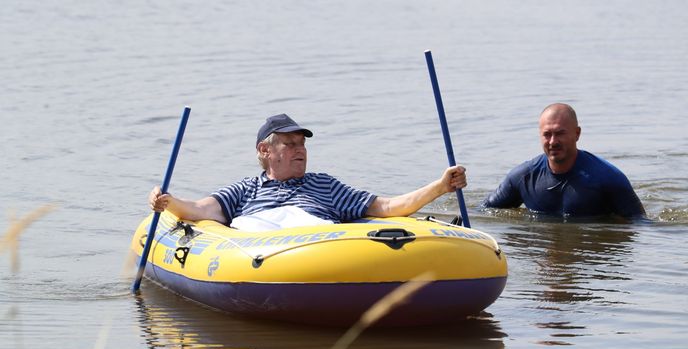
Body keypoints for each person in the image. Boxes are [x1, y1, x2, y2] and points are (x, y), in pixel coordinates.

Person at [150, 113, 467, 229]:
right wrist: (168, 202)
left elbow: (385, 207)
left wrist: (440, 187)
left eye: (302, 144)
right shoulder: (245, 189)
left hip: (316, 248)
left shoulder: (324, 185)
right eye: (290, 144)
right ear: (265, 151)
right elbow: (198, 210)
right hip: (256, 254)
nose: (300, 150)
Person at [482, 103, 645, 219]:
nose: (553, 141)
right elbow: (484, 211)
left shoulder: (608, 178)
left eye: (560, 133)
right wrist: (456, 185)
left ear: (577, 134)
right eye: (547, 134)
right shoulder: (522, 178)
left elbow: (640, 224)